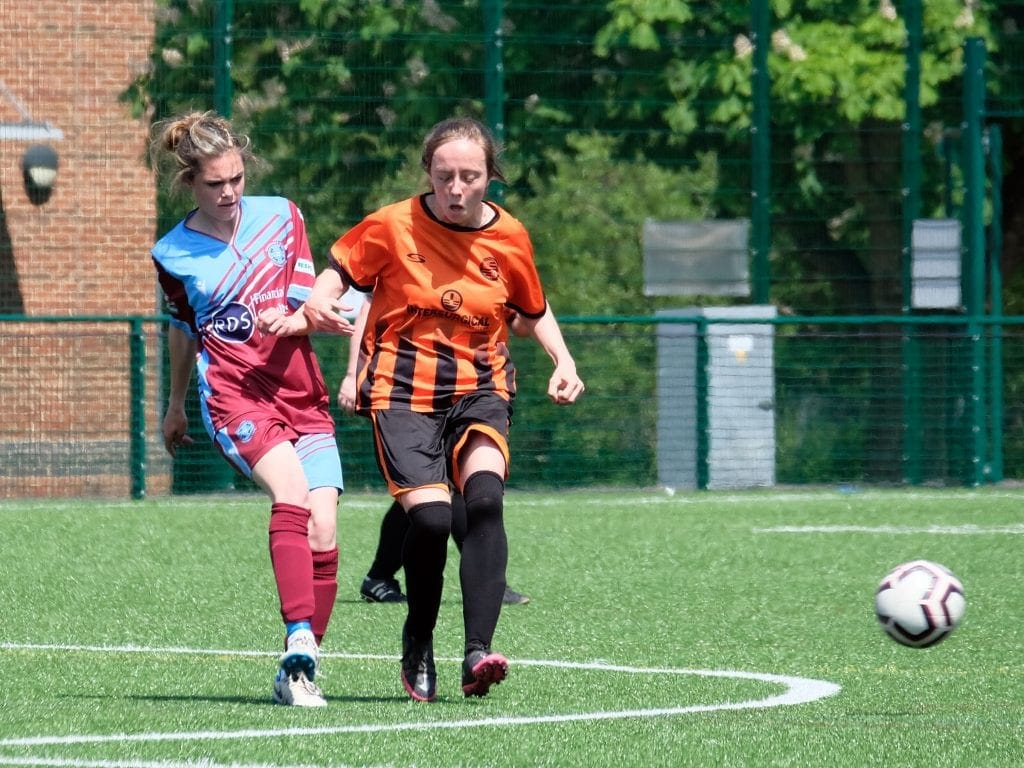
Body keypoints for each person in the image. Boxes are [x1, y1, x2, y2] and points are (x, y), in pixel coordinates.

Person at [298, 116, 585, 702]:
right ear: (428, 172)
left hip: (482, 386)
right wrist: (320, 302)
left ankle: (478, 651)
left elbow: (532, 307)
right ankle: (419, 638)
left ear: (490, 178)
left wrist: (564, 360)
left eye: (470, 177)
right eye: (445, 175)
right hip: (402, 392)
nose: (456, 189)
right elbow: (339, 272)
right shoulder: (392, 224)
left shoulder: (510, 238)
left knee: (484, 500)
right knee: (429, 519)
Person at [150, 111, 345, 708]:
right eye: (215, 184)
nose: (230, 193)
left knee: (326, 524)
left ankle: (300, 670)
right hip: (235, 396)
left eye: (236, 178)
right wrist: (176, 402)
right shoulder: (172, 253)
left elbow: (308, 295)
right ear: (190, 183)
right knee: (290, 494)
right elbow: (184, 331)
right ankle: (296, 636)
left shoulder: (283, 215)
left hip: (300, 389)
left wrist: (306, 318)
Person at [339, 296, 530, 606]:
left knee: (436, 491)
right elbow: (367, 311)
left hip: (465, 390)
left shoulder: (491, 258)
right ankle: (486, 580)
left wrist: (532, 310)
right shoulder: (409, 252)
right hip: (406, 390)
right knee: (434, 490)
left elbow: (520, 322)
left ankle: (383, 576)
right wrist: (352, 375)